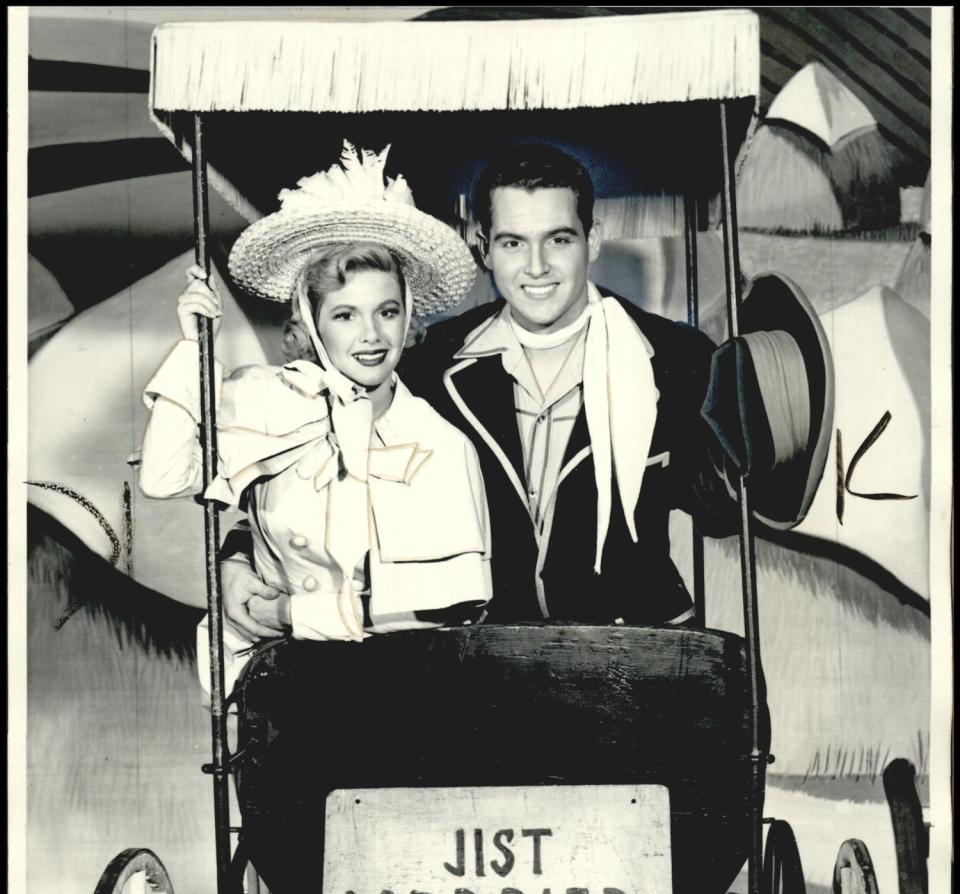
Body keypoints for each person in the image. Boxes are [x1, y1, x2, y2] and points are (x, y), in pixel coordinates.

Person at [219, 141, 829, 635]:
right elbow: (325, 473)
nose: (536, 268)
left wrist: (768, 420)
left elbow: (721, 510)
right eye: (513, 242)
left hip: (638, 654)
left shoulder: (675, 359)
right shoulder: (427, 367)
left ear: (592, 238)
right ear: (483, 247)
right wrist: (239, 555)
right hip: (479, 667)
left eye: (558, 240)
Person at [139, 142, 491, 697]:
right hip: (270, 692)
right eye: (345, 315)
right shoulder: (265, 402)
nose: (371, 336)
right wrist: (193, 351)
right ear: (312, 322)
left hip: (400, 696)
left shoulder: (440, 444)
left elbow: (442, 607)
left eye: (387, 312)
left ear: (408, 319)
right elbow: (161, 478)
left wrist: (285, 613)